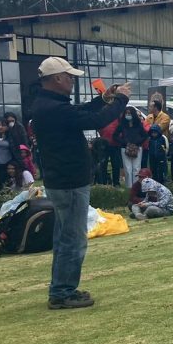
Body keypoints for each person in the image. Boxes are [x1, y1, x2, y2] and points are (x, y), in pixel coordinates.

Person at [30, 56, 130, 309]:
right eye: (70, 77)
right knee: (73, 239)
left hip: (60, 179)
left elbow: (81, 113)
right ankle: (63, 292)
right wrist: (120, 100)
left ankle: (60, 288)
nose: (73, 81)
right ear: (57, 79)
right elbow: (93, 120)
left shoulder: (47, 105)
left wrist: (104, 99)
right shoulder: (55, 108)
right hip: (69, 181)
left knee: (64, 237)